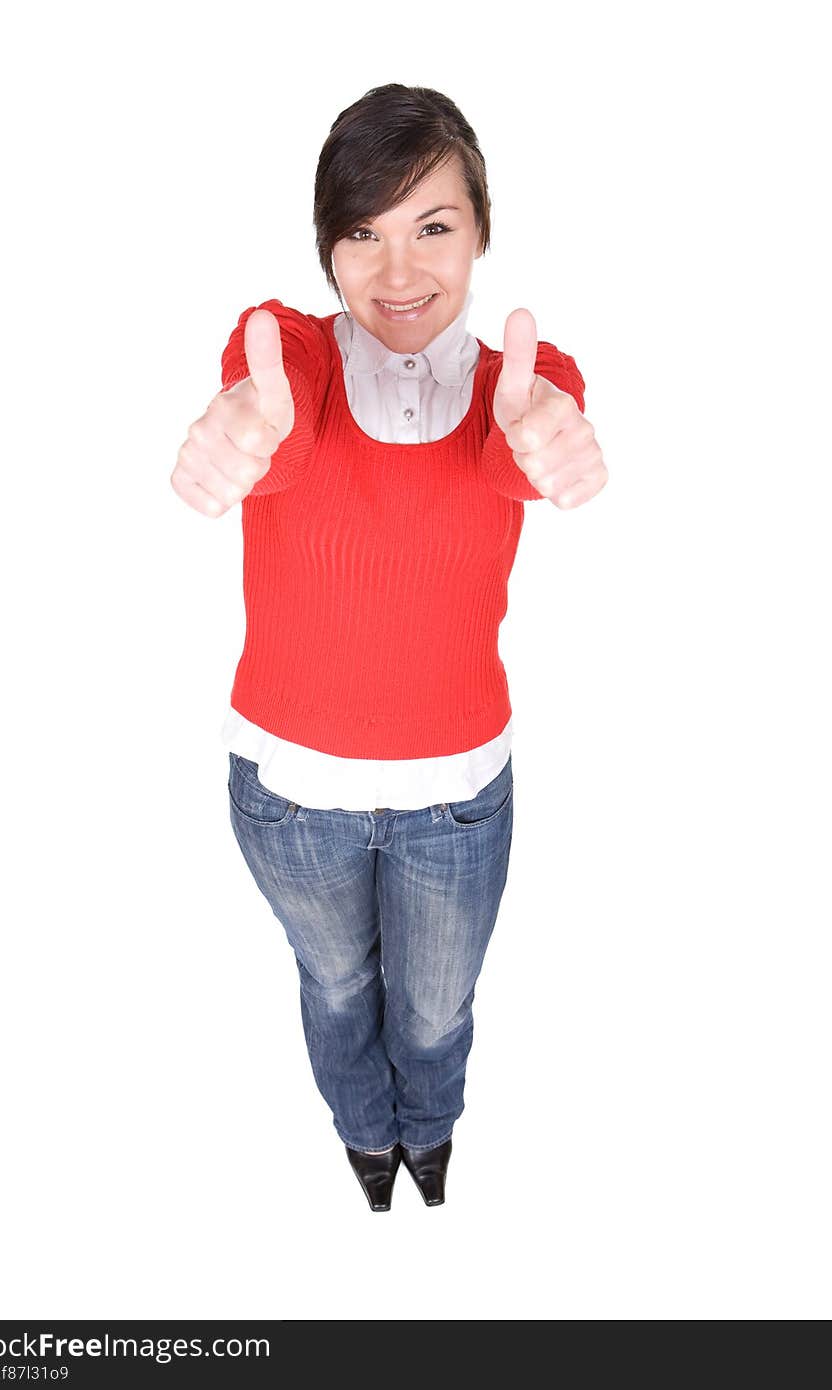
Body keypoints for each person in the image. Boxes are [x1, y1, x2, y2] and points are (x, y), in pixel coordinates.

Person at [171, 84, 607, 1212]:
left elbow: (526, 440)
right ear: (326, 244)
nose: (397, 270)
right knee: (334, 981)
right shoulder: (290, 359)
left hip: (456, 798)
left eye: (433, 226)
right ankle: (367, 1134)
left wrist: (546, 432)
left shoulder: (522, 383)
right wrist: (237, 428)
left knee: (434, 1006)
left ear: (480, 233)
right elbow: (261, 408)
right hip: (291, 797)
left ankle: (433, 1130)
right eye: (361, 230)